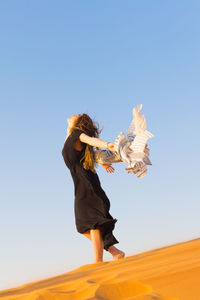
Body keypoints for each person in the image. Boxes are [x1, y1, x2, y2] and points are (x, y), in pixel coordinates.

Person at [62, 113, 125, 263]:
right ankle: (115, 251)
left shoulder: (79, 135)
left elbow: (91, 140)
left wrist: (108, 145)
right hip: (80, 184)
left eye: (76, 115)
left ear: (79, 123)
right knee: (82, 226)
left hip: (87, 184)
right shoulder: (71, 135)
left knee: (92, 222)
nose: (72, 114)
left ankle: (98, 263)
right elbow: (86, 149)